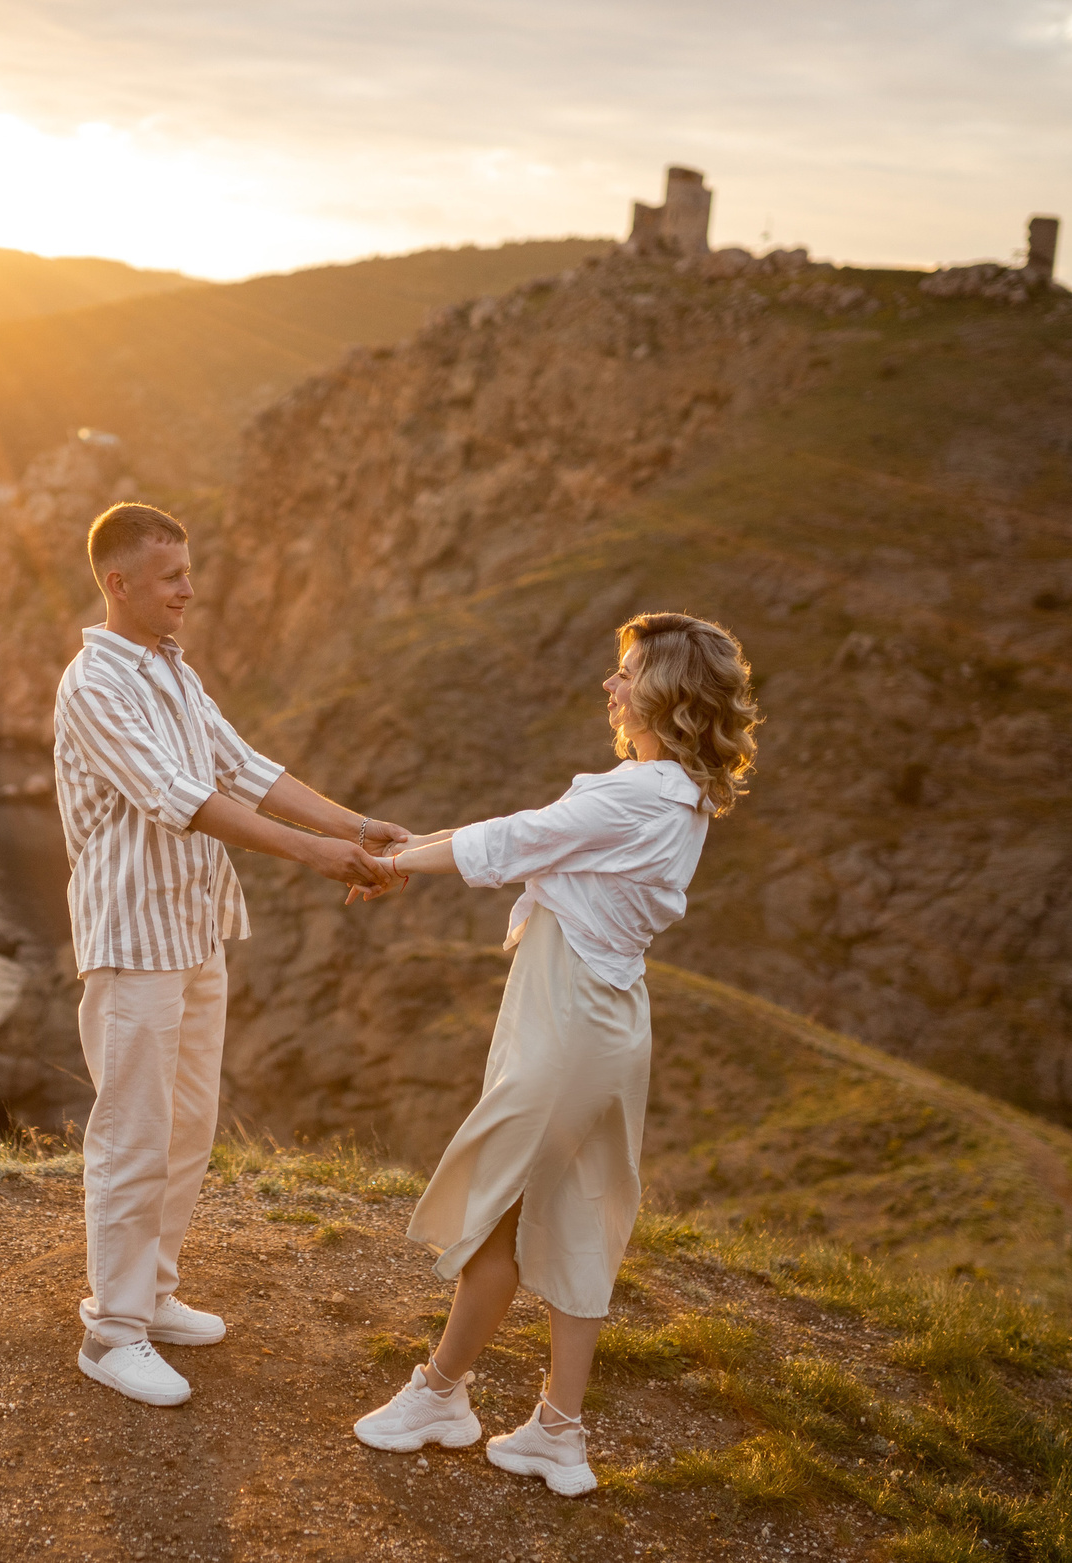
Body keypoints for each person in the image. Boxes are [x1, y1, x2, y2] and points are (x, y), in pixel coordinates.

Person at [345, 611, 761, 1494]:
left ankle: (440, 1395)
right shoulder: (676, 793)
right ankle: (557, 1432)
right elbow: (527, 837)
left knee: (497, 1205)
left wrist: (388, 861)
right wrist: (405, 849)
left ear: (665, 693)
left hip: (567, 1020)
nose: (609, 687)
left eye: (625, 673)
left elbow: (509, 840)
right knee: (580, 1216)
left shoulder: (638, 794)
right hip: (611, 1024)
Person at [56, 500, 408, 1408]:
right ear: (118, 583)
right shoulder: (93, 684)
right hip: (132, 937)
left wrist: (352, 822)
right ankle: (112, 1330)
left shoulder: (174, 669)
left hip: (194, 927)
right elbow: (181, 797)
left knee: (187, 1125)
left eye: (188, 570)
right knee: (132, 1132)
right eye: (170, 575)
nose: (188, 587)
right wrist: (317, 856)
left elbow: (245, 767)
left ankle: (154, 1297)